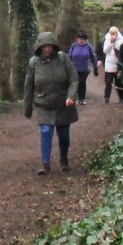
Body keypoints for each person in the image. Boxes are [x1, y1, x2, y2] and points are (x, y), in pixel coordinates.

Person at [22, 32, 79, 174]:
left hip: (63, 104)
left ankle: (64, 159)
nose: (47, 49)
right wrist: (27, 108)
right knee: (46, 132)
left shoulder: (63, 59)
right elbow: (28, 87)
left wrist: (71, 96)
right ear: (39, 48)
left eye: (49, 46)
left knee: (64, 134)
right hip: (43, 104)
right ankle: (45, 164)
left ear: (54, 47)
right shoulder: (33, 62)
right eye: (44, 47)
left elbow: (74, 78)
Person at [67, 31, 98, 106]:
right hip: (75, 69)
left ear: (85, 40)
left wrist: (95, 67)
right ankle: (77, 98)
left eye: (83, 39)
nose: (81, 40)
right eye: (80, 39)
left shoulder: (88, 47)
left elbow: (93, 57)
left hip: (84, 69)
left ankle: (82, 99)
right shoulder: (74, 46)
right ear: (77, 39)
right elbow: (69, 57)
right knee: (76, 83)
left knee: (82, 82)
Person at [98, 26, 122, 103]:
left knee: (119, 83)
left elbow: (122, 51)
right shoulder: (107, 40)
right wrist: (111, 43)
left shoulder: (121, 40)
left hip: (117, 64)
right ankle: (107, 97)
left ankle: (122, 98)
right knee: (108, 83)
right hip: (109, 65)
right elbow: (105, 51)